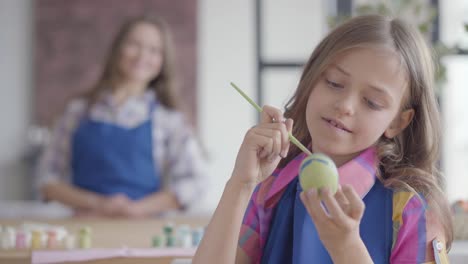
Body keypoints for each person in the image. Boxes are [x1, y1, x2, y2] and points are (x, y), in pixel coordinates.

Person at [193, 15, 453, 263]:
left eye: (372, 102)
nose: (345, 106)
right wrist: (240, 183)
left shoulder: (411, 209)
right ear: (312, 79)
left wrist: (346, 247)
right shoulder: (270, 188)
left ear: (398, 122)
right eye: (334, 83)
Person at [36, 15, 206, 218]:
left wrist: (138, 209)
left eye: (154, 50)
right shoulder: (77, 111)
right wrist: (98, 203)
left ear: (162, 61)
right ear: (117, 49)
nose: (143, 55)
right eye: (135, 44)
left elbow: (196, 182)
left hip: (144, 231)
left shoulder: (169, 119)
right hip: (84, 229)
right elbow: (46, 179)